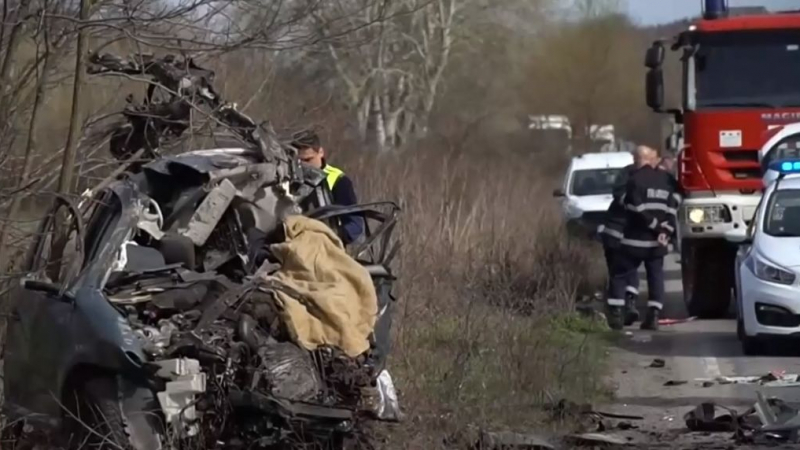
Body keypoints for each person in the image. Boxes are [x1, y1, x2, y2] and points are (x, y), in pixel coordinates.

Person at [606, 145, 679, 331]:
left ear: (639, 159)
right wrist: (666, 230)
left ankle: (616, 315)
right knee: (656, 277)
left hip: (634, 239)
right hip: (658, 242)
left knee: (620, 274)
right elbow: (672, 207)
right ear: (652, 160)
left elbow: (634, 207)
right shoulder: (666, 180)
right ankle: (653, 316)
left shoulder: (634, 179)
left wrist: (654, 225)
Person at [290, 130, 363, 244]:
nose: (304, 166)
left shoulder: (338, 180)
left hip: (328, 247)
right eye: (299, 162)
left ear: (321, 152)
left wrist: (334, 236)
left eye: (308, 160)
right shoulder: (288, 180)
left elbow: (355, 224)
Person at [597, 161, 641, 326]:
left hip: (614, 233)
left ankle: (618, 311)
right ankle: (627, 305)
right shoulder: (649, 179)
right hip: (625, 234)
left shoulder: (625, 176)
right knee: (628, 269)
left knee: (618, 272)